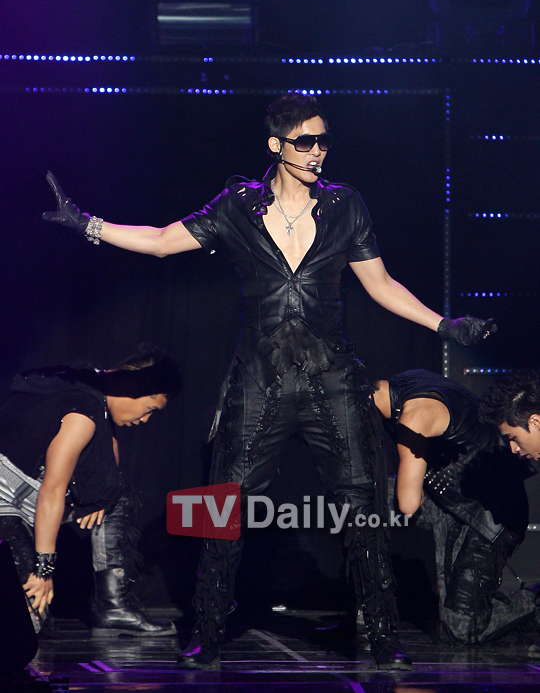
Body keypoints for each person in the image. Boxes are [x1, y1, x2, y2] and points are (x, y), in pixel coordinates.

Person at [42, 92, 495, 670]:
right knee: (224, 502)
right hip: (260, 380)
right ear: (276, 145)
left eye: (323, 141)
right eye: (305, 142)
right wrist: (88, 225)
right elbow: (160, 241)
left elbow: (380, 284)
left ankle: (385, 639)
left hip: (332, 378)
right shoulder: (239, 206)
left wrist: (444, 325)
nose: (317, 152)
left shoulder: (346, 206)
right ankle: (207, 631)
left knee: (361, 504)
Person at [0, 346, 181, 637]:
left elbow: (109, 456)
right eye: (150, 410)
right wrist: (44, 571)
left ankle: (113, 607)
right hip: (7, 504)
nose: (145, 420)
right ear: (132, 389)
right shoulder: (83, 414)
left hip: (28, 500)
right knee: (30, 624)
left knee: (115, 497)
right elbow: (51, 492)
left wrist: (101, 498)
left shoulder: (93, 391)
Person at [372, 369, 536, 644]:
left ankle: (531, 603)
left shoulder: (415, 413)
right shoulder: (405, 383)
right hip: (449, 501)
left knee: (460, 630)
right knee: (360, 497)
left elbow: (408, 504)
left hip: (490, 518)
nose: (513, 448)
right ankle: (369, 609)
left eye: (514, 439)